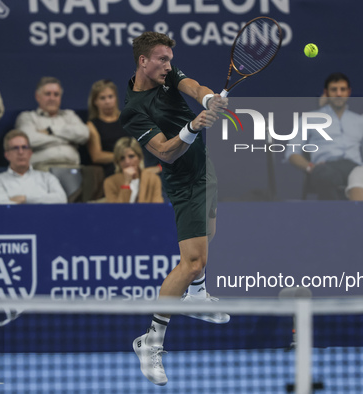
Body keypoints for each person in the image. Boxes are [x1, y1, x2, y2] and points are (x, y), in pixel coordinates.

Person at [120, 31, 229, 386]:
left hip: (204, 166)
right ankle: (150, 342)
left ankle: (197, 295)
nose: (169, 65)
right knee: (192, 261)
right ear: (143, 61)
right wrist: (194, 125)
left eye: (170, 59)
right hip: (184, 181)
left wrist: (209, 98)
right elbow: (165, 151)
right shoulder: (134, 110)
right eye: (162, 59)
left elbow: (194, 87)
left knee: (209, 235)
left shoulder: (167, 76)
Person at [285, 72, 363, 200]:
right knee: (327, 176)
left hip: (354, 168)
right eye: (334, 90)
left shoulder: (360, 121)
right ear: (326, 92)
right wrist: (310, 168)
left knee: (362, 177)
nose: (338, 94)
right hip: (325, 167)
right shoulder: (309, 119)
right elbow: (291, 153)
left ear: (349, 92)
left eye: (342, 89)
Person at [15, 77, 89, 171]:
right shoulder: (28, 117)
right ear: (38, 96)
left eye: (56, 94)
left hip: (72, 167)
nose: (52, 98)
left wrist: (51, 131)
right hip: (42, 168)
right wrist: (67, 139)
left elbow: (84, 134)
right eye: (48, 94)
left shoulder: (69, 115)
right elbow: (29, 140)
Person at [0, 130, 67, 204]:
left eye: (24, 147)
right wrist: (43, 199)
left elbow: (62, 199)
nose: (21, 152)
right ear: (7, 155)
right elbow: (1, 205)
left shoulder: (47, 177)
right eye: (15, 148)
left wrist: (25, 198)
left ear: (30, 152)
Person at [86, 79, 128, 178]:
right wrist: (124, 157)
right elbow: (97, 156)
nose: (107, 101)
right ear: (95, 101)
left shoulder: (127, 119)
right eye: (102, 98)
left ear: (116, 98)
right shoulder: (91, 125)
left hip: (134, 165)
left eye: (110, 97)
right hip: (109, 169)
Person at [103, 137, 163, 203]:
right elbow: (115, 211)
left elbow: (158, 209)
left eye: (131, 156)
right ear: (118, 162)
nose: (127, 161)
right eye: (122, 158)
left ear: (139, 157)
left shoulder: (153, 179)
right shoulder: (110, 182)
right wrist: (126, 184)